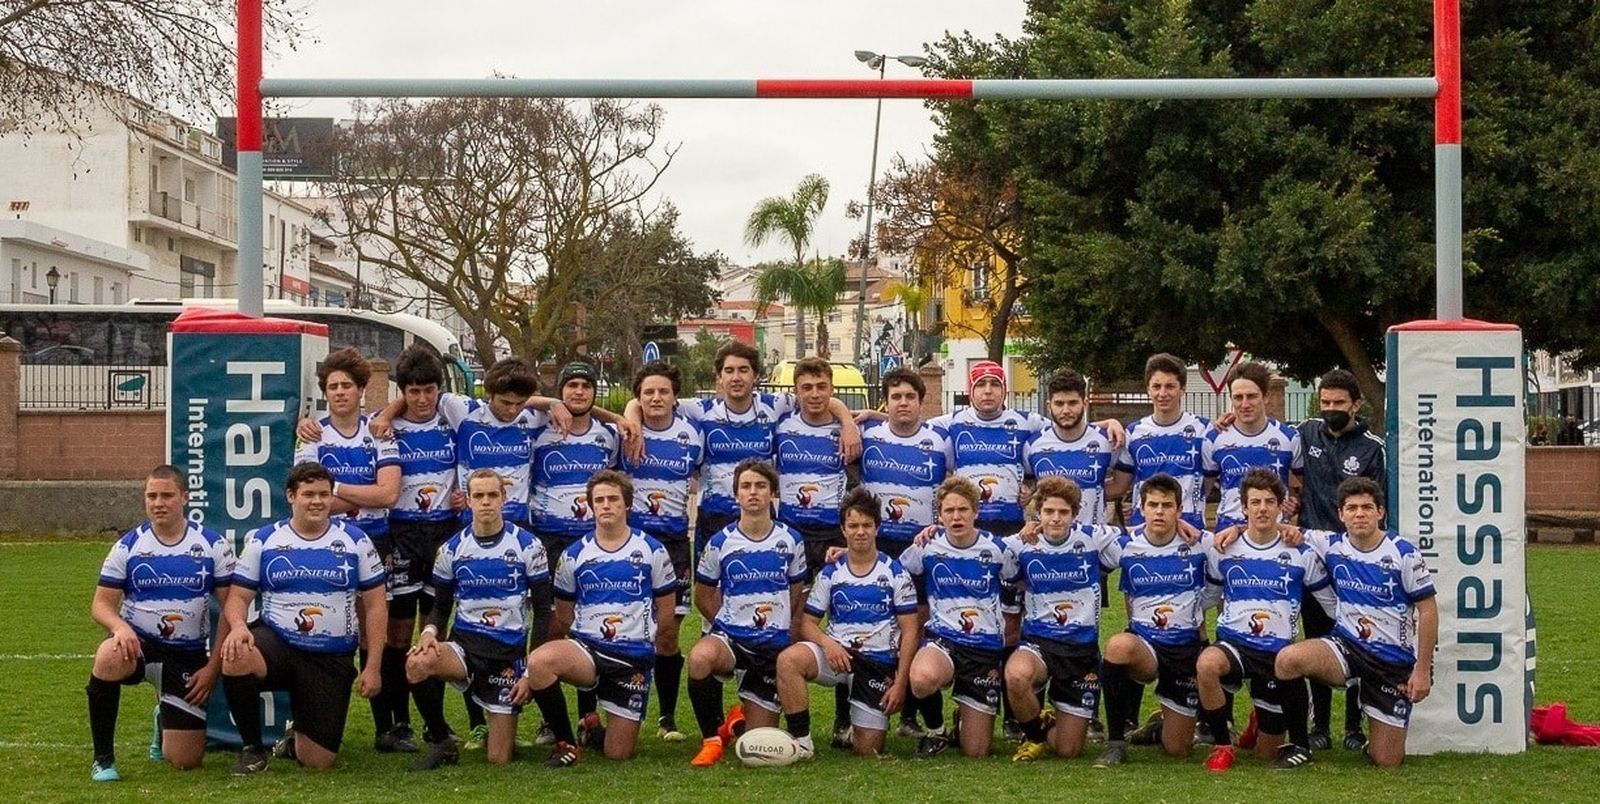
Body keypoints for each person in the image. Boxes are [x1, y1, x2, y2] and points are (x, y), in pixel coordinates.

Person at [220, 461, 388, 774]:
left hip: (330, 656)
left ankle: (293, 738)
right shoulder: (264, 539)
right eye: (308, 494)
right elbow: (237, 598)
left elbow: (376, 605)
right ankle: (252, 750)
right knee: (237, 654)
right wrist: (240, 627)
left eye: (324, 494)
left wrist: (373, 666)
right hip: (278, 643)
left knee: (318, 762)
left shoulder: (356, 541)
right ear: (291, 496)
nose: (317, 501)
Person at [513, 470, 677, 767]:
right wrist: (531, 674)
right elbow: (562, 618)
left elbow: (666, 613)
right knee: (539, 663)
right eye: (599, 500)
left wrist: (646, 648)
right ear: (590, 505)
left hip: (632, 659)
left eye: (613, 499)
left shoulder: (652, 550)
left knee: (618, 754)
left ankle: (593, 731)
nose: (605, 505)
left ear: (627, 504)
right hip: (587, 651)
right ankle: (565, 744)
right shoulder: (574, 554)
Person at [637, 341, 860, 557]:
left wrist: (848, 423)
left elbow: (817, 396)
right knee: (710, 591)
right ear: (719, 378)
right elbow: (642, 402)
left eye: (743, 370)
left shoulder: (774, 405)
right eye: (729, 370)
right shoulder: (699, 410)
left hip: (761, 517)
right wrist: (631, 421)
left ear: (755, 376)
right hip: (715, 518)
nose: (736, 377)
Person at [1273, 477, 1438, 767]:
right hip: (1347, 646)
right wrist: (1233, 531)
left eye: (1366, 507)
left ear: (1380, 512)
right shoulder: (1331, 544)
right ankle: (1299, 746)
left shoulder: (1404, 554)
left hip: (1391, 661)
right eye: (1351, 508)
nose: (1359, 514)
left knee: (1386, 761)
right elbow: (1271, 528)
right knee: (1288, 659)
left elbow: (1428, 611)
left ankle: (1372, 714)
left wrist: (1422, 670)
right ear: (1341, 514)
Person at [86, 465, 236, 781]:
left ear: (185, 497)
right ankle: (103, 760)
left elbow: (230, 610)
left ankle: (163, 718)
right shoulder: (129, 546)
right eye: (152, 496)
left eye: (167, 495)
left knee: (185, 760)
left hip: (187, 655)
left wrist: (212, 669)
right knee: (107, 656)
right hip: (138, 647)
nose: (159, 502)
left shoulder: (212, 545)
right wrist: (120, 627)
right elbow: (101, 604)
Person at [293, 346, 405, 750]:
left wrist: (336, 490)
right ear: (326, 392)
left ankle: (386, 729)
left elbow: (390, 494)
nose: (340, 392)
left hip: (374, 542)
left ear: (362, 390)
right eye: (333, 386)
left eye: (347, 386)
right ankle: (308, 723)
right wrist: (362, 495)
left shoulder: (379, 431)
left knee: (377, 632)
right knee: (321, 625)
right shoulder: (311, 435)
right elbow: (308, 499)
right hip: (324, 543)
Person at [404, 469, 551, 769]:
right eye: (479, 496)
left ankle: (498, 726)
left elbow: (544, 612)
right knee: (417, 663)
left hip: (507, 655)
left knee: (498, 759)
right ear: (468, 500)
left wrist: (530, 671)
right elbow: (441, 607)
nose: (486, 502)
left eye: (492, 495)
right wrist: (430, 632)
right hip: (464, 648)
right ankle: (443, 740)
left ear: (504, 498)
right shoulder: (451, 549)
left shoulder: (529, 546)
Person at [1195, 469, 1334, 772]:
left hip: (1277, 655)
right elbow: (1208, 597)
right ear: (1243, 508)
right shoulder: (1225, 548)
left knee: (1266, 754)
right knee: (1206, 664)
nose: (1262, 508)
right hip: (1235, 645)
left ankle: (1262, 716)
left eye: (1269, 502)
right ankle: (1222, 744)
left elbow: (1330, 605)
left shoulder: (1301, 552)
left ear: (1280, 506)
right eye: (1254, 502)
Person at [775, 487, 920, 758]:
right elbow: (807, 623)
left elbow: (911, 631)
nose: (860, 531)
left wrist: (900, 683)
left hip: (877, 663)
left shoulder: (896, 573)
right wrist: (827, 644)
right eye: (853, 525)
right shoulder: (832, 573)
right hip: (837, 656)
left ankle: (860, 724)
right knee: (788, 661)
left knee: (868, 750)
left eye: (867, 525)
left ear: (877, 528)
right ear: (843, 529)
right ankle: (802, 742)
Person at [686, 459, 808, 767]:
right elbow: (703, 595)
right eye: (746, 486)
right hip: (732, 640)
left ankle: (737, 722)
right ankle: (711, 739)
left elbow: (796, 597)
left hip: (772, 647)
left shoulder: (791, 540)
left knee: (758, 740)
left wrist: (784, 636)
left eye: (761, 486)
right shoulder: (720, 543)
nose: (753, 492)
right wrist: (729, 625)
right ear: (736, 494)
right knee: (701, 657)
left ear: (772, 494)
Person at [374, 344, 462, 756]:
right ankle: (398, 723)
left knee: (434, 633)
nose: (422, 399)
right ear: (402, 391)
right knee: (396, 633)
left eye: (429, 390)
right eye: (413, 392)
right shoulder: (386, 429)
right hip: (403, 536)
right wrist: (388, 414)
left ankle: (433, 724)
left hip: (444, 535)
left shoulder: (452, 421)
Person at [1293, 368, 1386, 750]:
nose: (1330, 410)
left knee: (1359, 636)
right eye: (1325, 403)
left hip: (1356, 558)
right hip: (1313, 559)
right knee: (1316, 638)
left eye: (1339, 404)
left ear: (1356, 405)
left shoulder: (1372, 447)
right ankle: (1320, 727)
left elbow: (1383, 505)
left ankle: (1353, 726)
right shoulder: (1305, 433)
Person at [857, 366, 953, 738]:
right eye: (895, 397)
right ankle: (856, 711)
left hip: (922, 545)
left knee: (917, 625)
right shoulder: (868, 435)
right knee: (871, 626)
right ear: (886, 400)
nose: (902, 403)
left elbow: (954, 486)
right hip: (878, 544)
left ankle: (912, 714)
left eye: (909, 397)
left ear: (921, 401)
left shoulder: (940, 439)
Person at [1096, 473, 1217, 766]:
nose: (1160, 511)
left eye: (1167, 505)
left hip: (1185, 649)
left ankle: (1159, 727)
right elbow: (1079, 549)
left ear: (1179, 509)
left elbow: (1244, 540)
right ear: (1142, 507)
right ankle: (1115, 741)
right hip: (1144, 646)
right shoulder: (1125, 544)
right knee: (1117, 646)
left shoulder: (1201, 543)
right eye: (1153, 505)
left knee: (1177, 750)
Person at [1003, 476, 1123, 762]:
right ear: (1037, 513)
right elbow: (978, 545)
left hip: (1080, 652)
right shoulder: (1022, 545)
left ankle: (1044, 721)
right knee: (1016, 675)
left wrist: (1181, 526)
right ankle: (1034, 734)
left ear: (1075, 514)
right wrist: (933, 531)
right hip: (1038, 646)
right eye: (1048, 512)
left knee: (1068, 751)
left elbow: (1142, 541)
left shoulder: (1093, 538)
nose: (1055, 519)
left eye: (1063, 512)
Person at [899, 476, 1017, 758]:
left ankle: (962, 719)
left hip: (984, 649)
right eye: (949, 511)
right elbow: (889, 570)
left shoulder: (997, 550)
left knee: (976, 751)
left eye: (963, 509)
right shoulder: (926, 545)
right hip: (944, 639)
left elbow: (1018, 581)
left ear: (976, 512)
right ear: (939, 515)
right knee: (922, 679)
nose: (956, 516)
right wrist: (848, 554)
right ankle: (937, 732)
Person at [619, 361, 704, 742]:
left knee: (668, 634)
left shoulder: (692, 434)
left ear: (675, 397)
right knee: (621, 628)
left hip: (672, 546)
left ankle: (666, 718)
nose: (656, 397)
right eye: (648, 392)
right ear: (637, 397)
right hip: (627, 543)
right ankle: (617, 710)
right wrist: (629, 415)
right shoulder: (621, 433)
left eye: (663, 391)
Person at [1111, 353, 1211, 531]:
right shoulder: (1134, 433)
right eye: (1156, 386)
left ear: (1182, 389)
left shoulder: (1203, 430)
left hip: (1190, 529)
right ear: (1148, 389)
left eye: (1170, 386)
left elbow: (1210, 482)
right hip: (1143, 528)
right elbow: (1119, 486)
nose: (1163, 393)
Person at [1201, 361, 1300, 532]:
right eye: (1238, 397)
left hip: (1274, 531)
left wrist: (1296, 502)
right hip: (1228, 532)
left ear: (1266, 396)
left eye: (1251, 396)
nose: (1245, 404)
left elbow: (1303, 488)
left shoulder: (1289, 437)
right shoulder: (1214, 439)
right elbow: (1201, 492)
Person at [1023, 368, 1127, 528]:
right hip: (1048, 541)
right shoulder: (1033, 445)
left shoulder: (1107, 440)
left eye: (1072, 403)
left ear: (1084, 403)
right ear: (1049, 406)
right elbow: (1025, 488)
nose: (1065, 410)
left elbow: (1121, 486)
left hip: (1092, 541)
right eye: (1059, 404)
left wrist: (1093, 493)